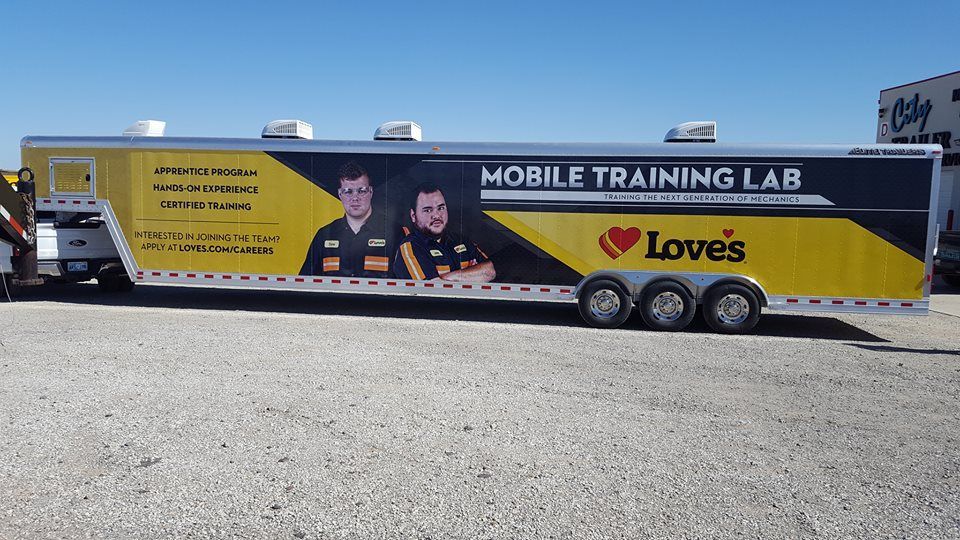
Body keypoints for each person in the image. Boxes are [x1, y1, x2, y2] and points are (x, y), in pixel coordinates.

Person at [299, 161, 395, 277]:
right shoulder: (324, 235)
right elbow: (306, 281)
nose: (355, 198)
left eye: (361, 191)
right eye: (348, 192)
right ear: (340, 194)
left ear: (371, 192)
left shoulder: (394, 232)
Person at [394, 182, 496, 282]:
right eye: (428, 210)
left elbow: (489, 271)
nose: (437, 215)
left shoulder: (461, 241)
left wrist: (445, 278)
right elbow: (431, 290)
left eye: (441, 208)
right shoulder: (410, 247)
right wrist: (472, 273)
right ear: (413, 216)